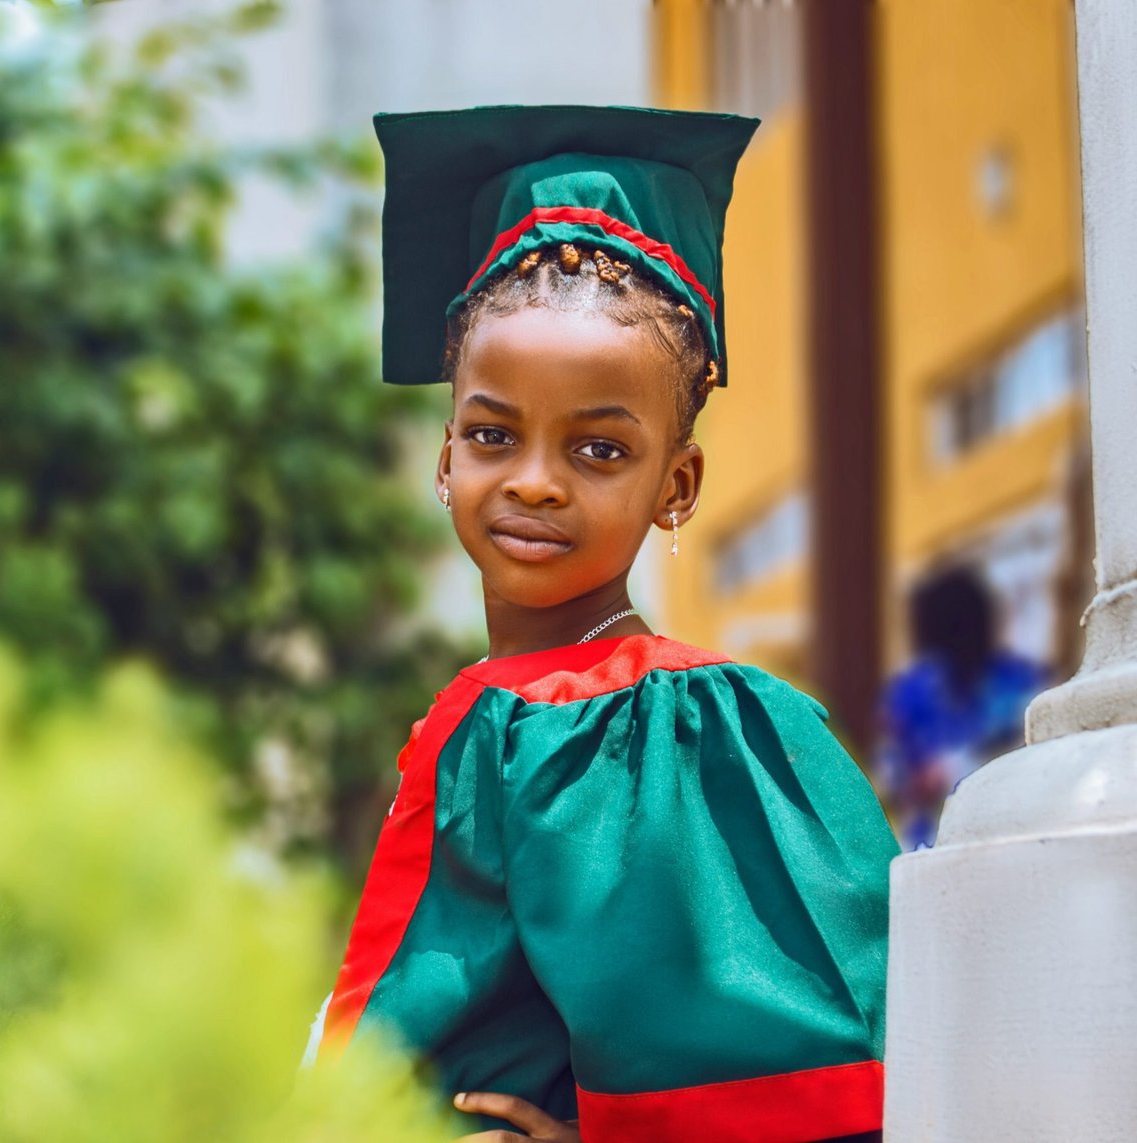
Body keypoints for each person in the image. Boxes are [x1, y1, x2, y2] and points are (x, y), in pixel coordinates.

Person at [307, 106, 900, 1143]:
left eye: (598, 451)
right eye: (494, 434)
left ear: (677, 485)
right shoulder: (492, 715)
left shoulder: (676, 736)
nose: (533, 483)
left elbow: (775, 1088)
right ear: (445, 456)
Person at [878, 563, 1048, 849]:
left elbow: (1041, 758)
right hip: (935, 842)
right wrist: (919, 782)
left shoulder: (1022, 685)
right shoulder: (910, 693)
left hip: (1011, 835)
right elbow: (891, 777)